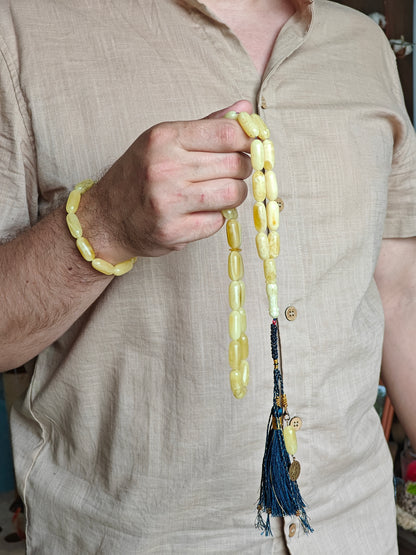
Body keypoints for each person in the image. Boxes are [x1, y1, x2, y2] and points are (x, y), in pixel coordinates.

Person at [0, 0, 415, 552]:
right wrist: (105, 222)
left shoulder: (362, 45)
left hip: (356, 527)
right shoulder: (21, 28)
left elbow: (398, 290)